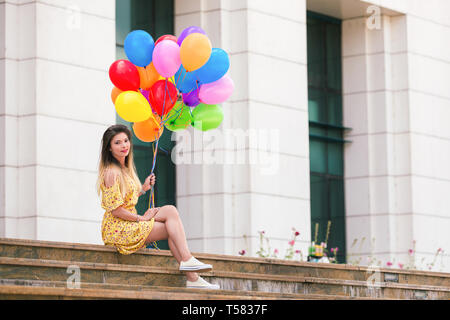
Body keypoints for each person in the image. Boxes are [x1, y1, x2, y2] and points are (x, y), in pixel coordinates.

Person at [96, 124, 219, 289]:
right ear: (109, 148)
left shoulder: (125, 169)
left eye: (126, 140)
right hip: (118, 229)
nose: (124, 145)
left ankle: (190, 269)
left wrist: (143, 189)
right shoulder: (111, 172)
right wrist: (141, 218)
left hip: (128, 222)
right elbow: (116, 209)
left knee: (170, 211)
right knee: (170, 225)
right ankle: (191, 273)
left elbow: (124, 198)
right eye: (117, 143)